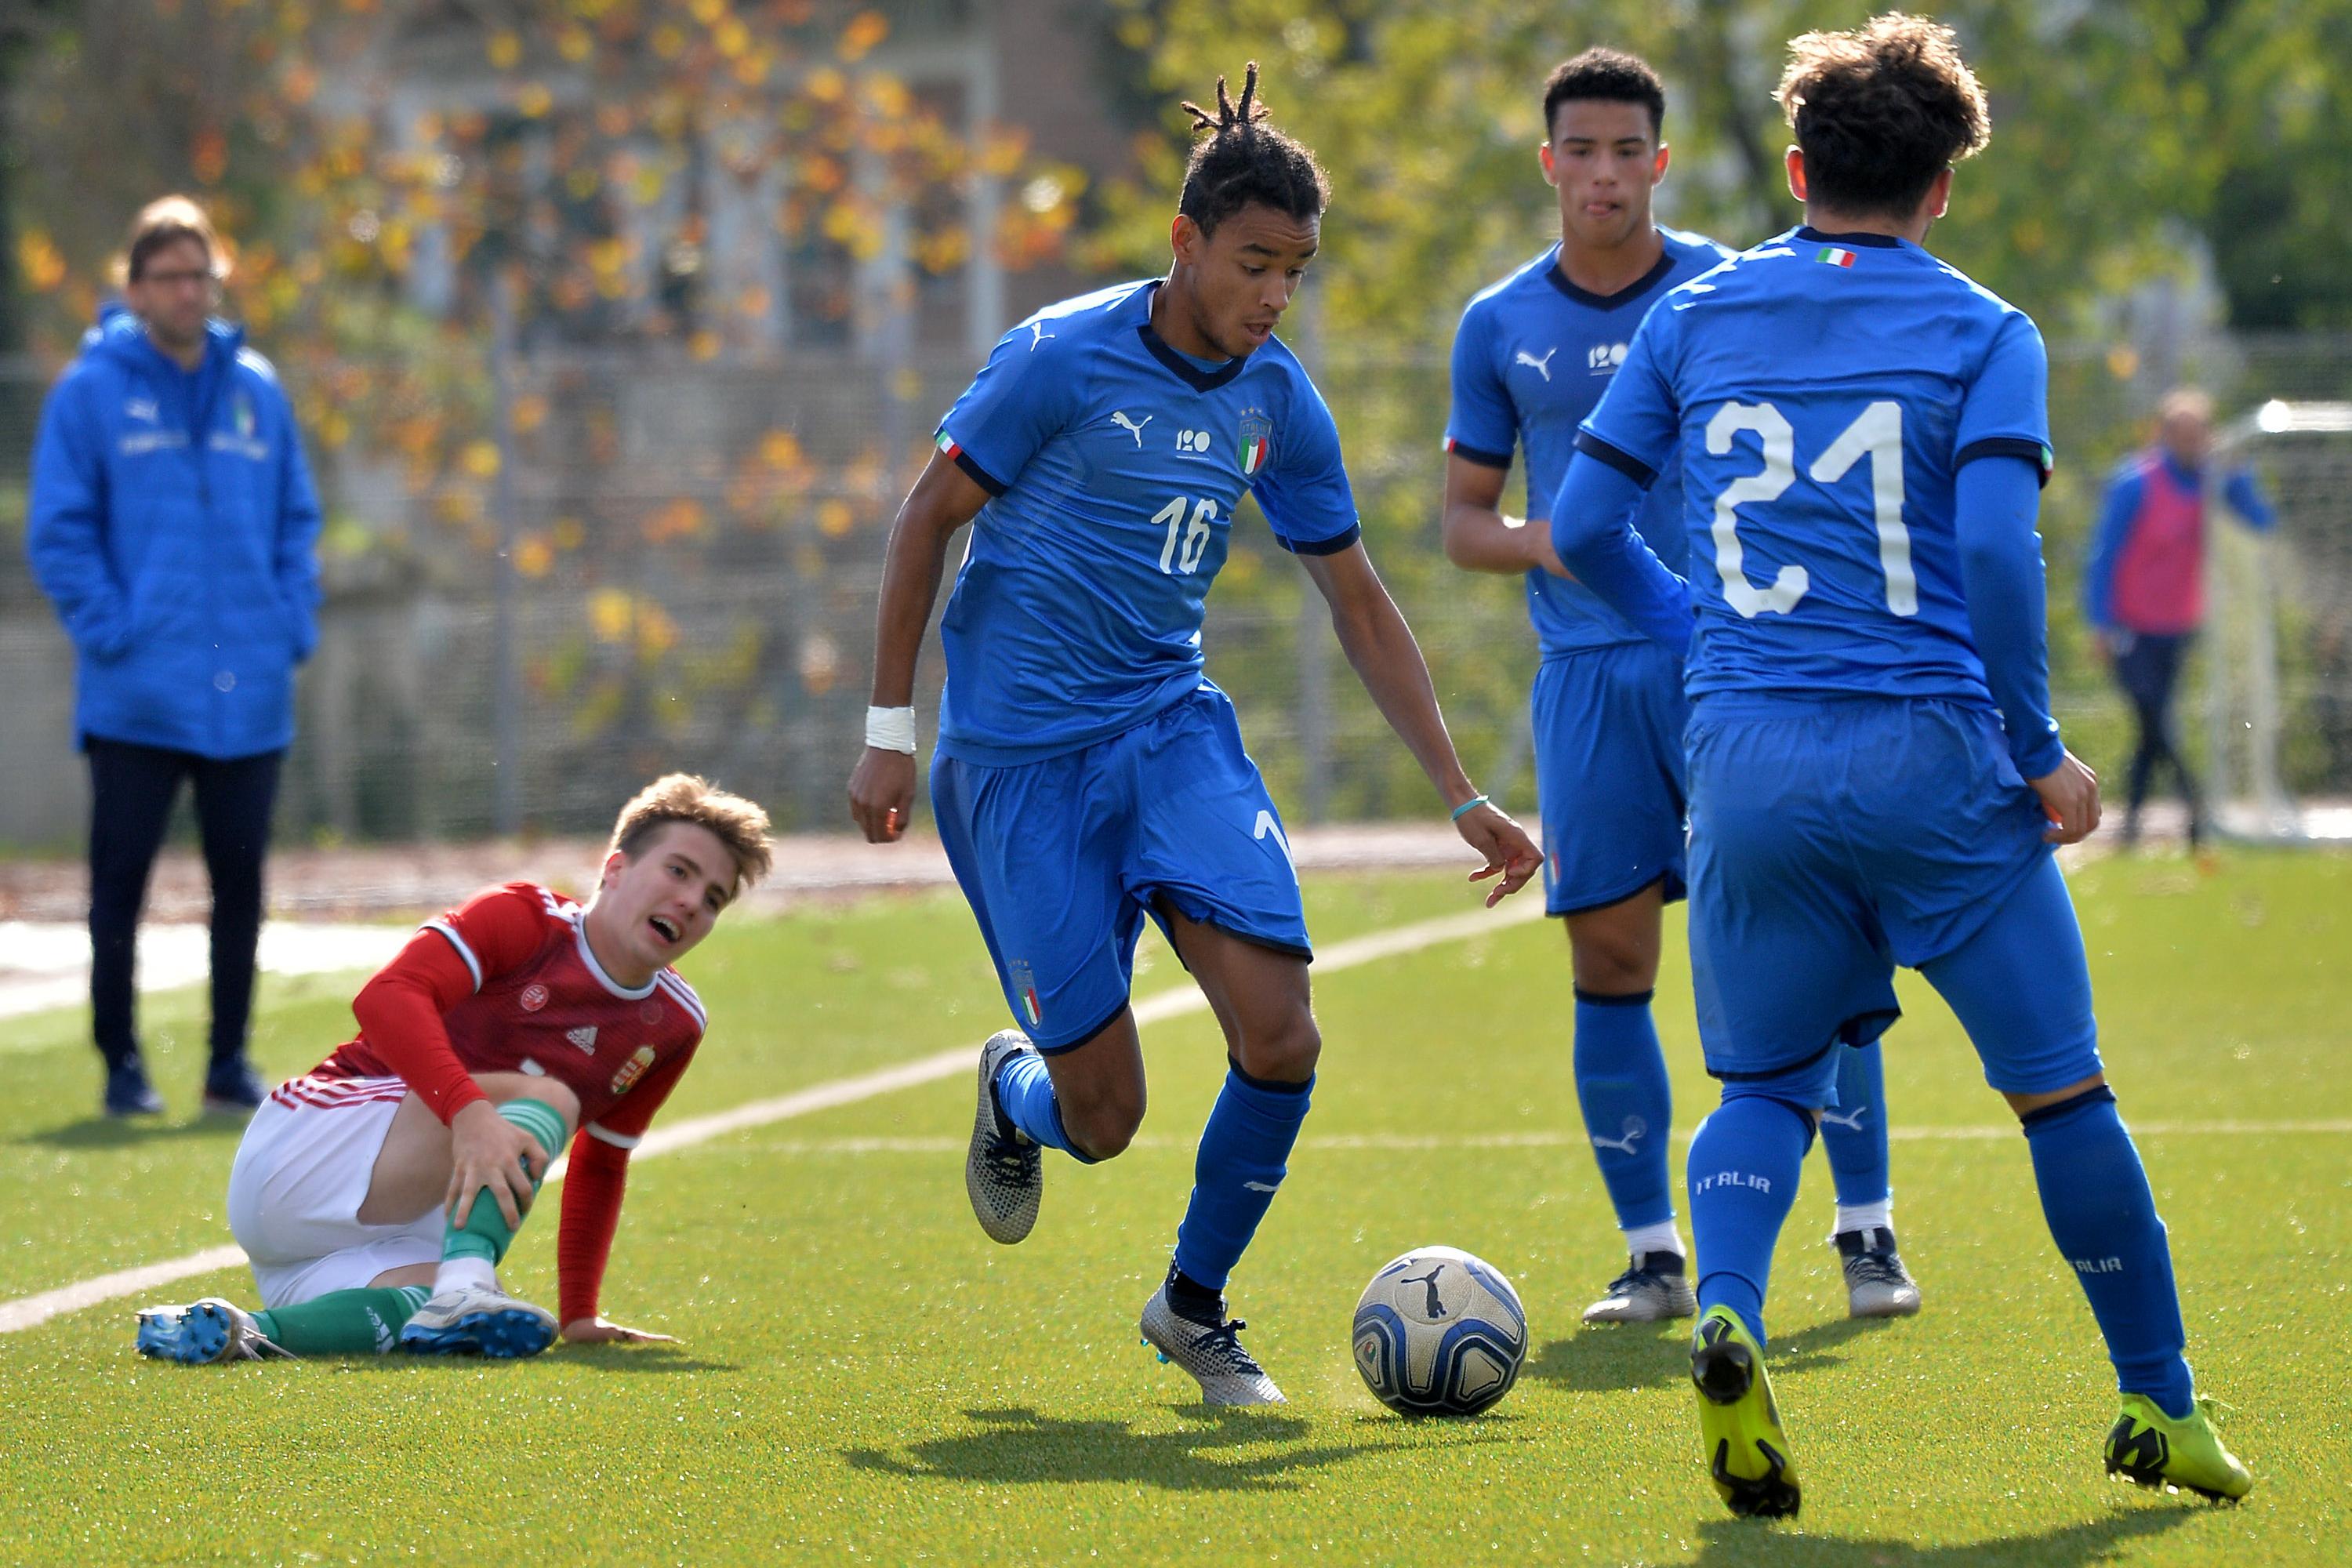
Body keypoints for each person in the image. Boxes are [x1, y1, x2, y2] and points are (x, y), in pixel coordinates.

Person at [1548, 13, 2251, 1515]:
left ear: (1795, 167)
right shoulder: (1986, 330)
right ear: (1941, 190)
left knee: (1762, 1085)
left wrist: (1704, 640)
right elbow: (1996, 546)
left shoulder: (1693, 316)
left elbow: (1584, 527)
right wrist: (2041, 747)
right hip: (1930, 754)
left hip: (1742, 759)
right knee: (2063, 1095)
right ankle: (2160, 1406)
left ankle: (1729, 1303)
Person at [848, 64, 1542, 1406]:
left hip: (1169, 734)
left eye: (1297, 270)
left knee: (1282, 1036)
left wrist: (1458, 790)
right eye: (1253, 264)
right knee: (1104, 1121)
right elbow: (925, 518)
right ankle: (1022, 1098)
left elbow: (1354, 594)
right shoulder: (1058, 358)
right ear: (1185, 244)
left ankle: (1192, 1306)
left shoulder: (1277, 401)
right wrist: (890, 728)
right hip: (1016, 769)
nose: (1275, 296)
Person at [1443, 48, 1917, 1328]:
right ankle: (1653, 1252)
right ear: (1550, 165)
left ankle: (1866, 1227)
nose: (1603, 173)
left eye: (1625, 151)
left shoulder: (1723, 290)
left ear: (1660, 161)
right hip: (1592, 678)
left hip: (1744, 671)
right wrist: (1563, 539)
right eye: (1579, 151)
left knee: (1813, 944)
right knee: (1611, 960)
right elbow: (1462, 524)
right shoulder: (1500, 325)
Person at [132, 775, 772, 1363]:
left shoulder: (675, 1023)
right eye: (679, 871)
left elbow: (602, 1161)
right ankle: (463, 1287)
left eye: (713, 898)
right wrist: (467, 1112)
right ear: (615, 868)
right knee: (549, 1098)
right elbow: (385, 997)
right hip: (308, 1151)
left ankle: (244, 1332)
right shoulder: (524, 917)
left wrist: (579, 1314)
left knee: (440, 1307)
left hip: (370, 1235)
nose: (691, 902)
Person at [25, 194, 323, 1120]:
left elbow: (295, 520)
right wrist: (117, 631)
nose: (188, 291)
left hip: (250, 693)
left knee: (242, 889)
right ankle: (121, 1065)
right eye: (169, 276)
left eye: (200, 274)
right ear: (135, 287)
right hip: (138, 695)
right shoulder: (90, 391)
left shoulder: (257, 389)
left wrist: (289, 625)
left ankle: (227, 1061)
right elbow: (61, 532)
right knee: (120, 890)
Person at [2083, 387, 2276, 848]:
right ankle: (2196, 810)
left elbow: (2261, 522)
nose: (2192, 444)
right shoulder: (2134, 482)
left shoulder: (2212, 482)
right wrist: (2100, 622)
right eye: (2182, 434)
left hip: (2178, 626)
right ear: (2165, 435)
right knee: (2155, 718)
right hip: (2131, 626)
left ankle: (2133, 828)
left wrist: (2240, 476)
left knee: (2153, 728)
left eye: (2199, 435)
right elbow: (2103, 556)